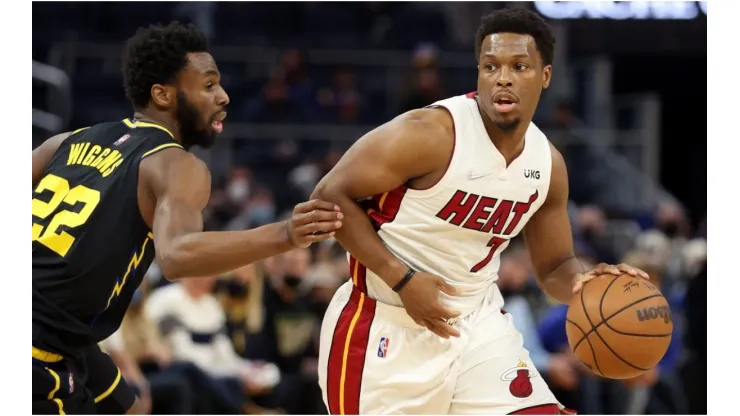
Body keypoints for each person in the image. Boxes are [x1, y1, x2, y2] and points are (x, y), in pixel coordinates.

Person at [311, 8, 648, 415]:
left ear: (545, 76)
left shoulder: (547, 165)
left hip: (478, 327)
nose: (502, 77)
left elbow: (555, 267)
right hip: (386, 324)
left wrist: (587, 287)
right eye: (491, 66)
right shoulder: (429, 134)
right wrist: (402, 279)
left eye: (519, 66)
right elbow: (326, 199)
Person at [32, 22, 342, 415]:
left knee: (132, 406)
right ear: (162, 94)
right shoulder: (176, 164)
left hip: (65, 334)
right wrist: (285, 233)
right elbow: (177, 256)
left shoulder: (65, 142)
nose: (224, 96)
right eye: (209, 85)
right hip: (40, 348)